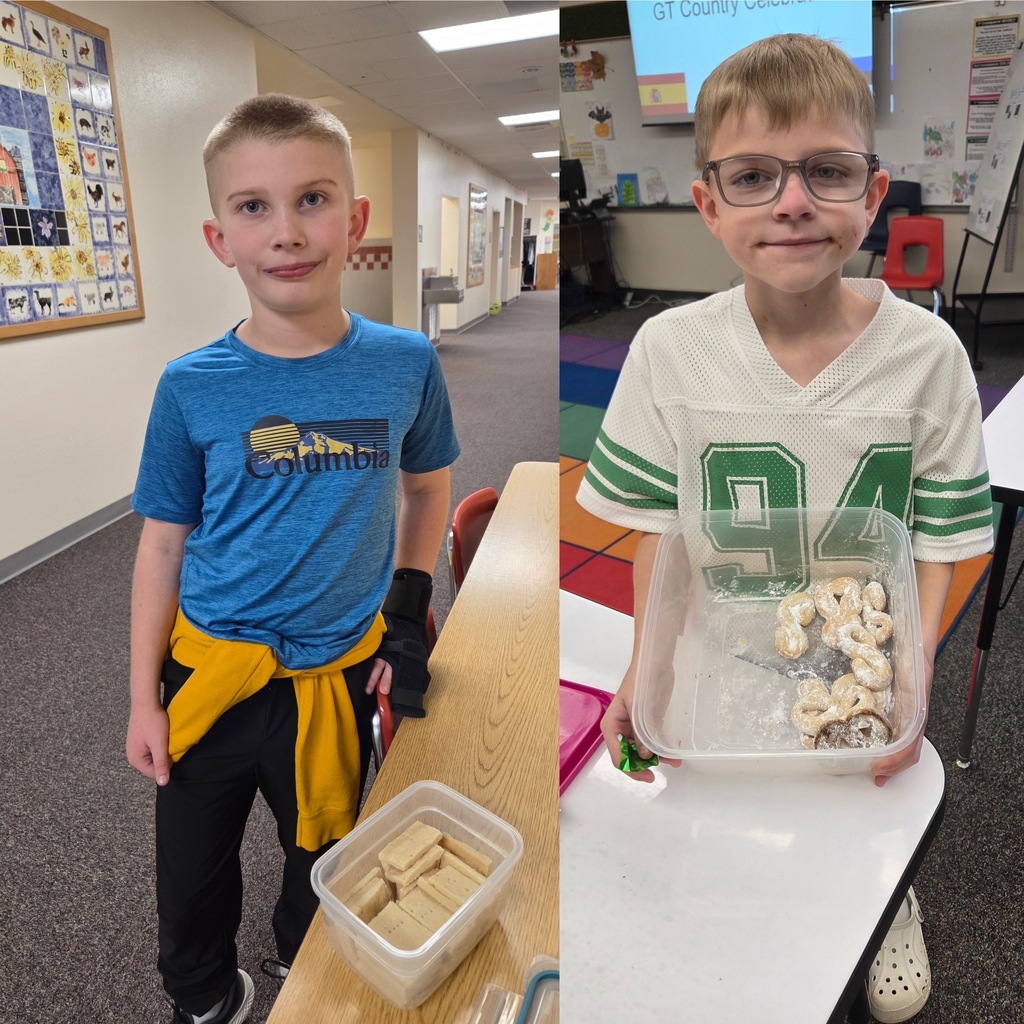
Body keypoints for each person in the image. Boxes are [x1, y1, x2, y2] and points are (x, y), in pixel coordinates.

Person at [577, 34, 992, 1024]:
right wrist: (646, 666)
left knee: (861, 810)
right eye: (755, 176)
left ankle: (886, 894)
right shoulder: (667, 351)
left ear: (873, 192)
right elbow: (658, 535)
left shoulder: (928, 353)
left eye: (827, 170)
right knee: (725, 832)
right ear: (709, 203)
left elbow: (940, 541)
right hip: (726, 644)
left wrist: (915, 669)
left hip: (863, 656)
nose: (793, 200)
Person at [126, 94, 460, 1024]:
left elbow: (428, 487)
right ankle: (206, 995)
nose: (286, 232)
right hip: (210, 673)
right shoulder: (192, 386)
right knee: (190, 877)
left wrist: (407, 603)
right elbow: (161, 544)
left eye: (313, 199)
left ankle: (298, 968)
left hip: (337, 679)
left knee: (327, 862)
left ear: (354, 220)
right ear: (217, 236)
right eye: (253, 207)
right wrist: (140, 697)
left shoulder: (405, 363)